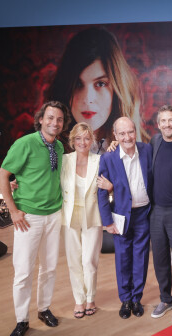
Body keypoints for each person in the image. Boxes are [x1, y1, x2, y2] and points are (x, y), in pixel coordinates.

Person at [0, 101, 70, 336]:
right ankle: (22, 320)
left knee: (49, 268)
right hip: (28, 217)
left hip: (53, 214)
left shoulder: (58, 146)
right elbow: (2, 176)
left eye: (59, 119)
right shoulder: (25, 143)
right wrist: (14, 211)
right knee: (23, 271)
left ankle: (44, 309)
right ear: (41, 119)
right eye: (50, 118)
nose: (55, 123)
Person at [45, 27, 143, 154]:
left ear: (117, 89)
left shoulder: (144, 149)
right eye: (78, 84)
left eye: (100, 83)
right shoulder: (40, 148)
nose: (88, 99)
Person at [97, 117, 153, 319]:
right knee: (122, 258)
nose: (127, 137)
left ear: (135, 131)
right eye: (122, 134)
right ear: (115, 136)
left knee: (141, 257)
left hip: (144, 214)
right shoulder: (108, 158)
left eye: (130, 132)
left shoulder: (147, 150)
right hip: (120, 216)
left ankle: (137, 298)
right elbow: (101, 192)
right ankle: (126, 299)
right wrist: (107, 222)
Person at [60, 122, 110, 318]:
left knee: (89, 260)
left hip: (93, 215)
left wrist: (110, 186)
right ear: (72, 141)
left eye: (87, 138)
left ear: (92, 141)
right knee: (74, 261)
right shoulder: (65, 161)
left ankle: (91, 297)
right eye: (78, 138)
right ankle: (79, 300)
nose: (83, 142)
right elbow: (48, 180)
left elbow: (111, 182)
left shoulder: (99, 161)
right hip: (70, 216)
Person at [149, 105, 172, 322]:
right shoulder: (154, 142)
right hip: (156, 211)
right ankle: (165, 298)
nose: (167, 124)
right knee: (160, 259)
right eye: (163, 121)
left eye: (171, 120)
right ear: (158, 123)